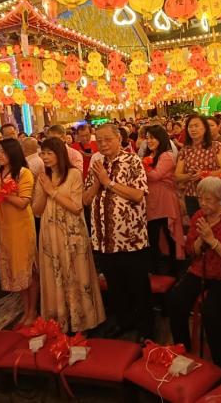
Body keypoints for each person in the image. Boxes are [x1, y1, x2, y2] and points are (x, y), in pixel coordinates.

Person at [169, 177, 221, 378]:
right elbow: (190, 250)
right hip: (203, 269)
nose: (203, 204)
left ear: (220, 199)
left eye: (208, 200)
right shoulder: (199, 216)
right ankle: (183, 352)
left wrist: (212, 240)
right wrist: (199, 242)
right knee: (176, 299)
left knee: (212, 311)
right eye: (200, 199)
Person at [83, 124, 152, 340]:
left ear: (119, 139)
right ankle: (124, 323)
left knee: (138, 286)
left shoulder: (132, 161)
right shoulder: (96, 163)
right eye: (99, 140)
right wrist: (97, 181)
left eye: (107, 139)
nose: (102, 144)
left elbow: (138, 195)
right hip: (104, 239)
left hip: (131, 238)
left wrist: (108, 182)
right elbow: (85, 200)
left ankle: (146, 330)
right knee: (115, 288)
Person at [32, 138, 105, 332]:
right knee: (54, 273)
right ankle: (60, 322)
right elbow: (36, 210)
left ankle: (83, 322)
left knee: (76, 274)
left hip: (71, 230)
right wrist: (41, 190)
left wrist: (52, 191)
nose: (45, 157)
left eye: (49, 153)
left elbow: (76, 206)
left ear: (59, 154)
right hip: (49, 230)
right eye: (43, 153)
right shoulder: (43, 175)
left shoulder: (73, 174)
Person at [0, 138, 38, 326]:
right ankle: (25, 309)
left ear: (12, 153)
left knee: (27, 270)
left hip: (21, 226)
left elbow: (23, 202)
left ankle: (32, 311)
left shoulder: (23, 173)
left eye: (2, 152)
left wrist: (1, 193)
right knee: (16, 270)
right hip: (5, 226)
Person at [143, 125, 184, 274]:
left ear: (161, 138)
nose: (149, 140)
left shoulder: (167, 156)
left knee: (169, 235)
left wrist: (143, 167)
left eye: (152, 137)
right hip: (151, 200)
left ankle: (175, 271)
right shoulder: (149, 156)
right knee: (153, 237)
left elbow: (155, 175)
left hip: (165, 200)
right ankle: (157, 270)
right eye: (147, 137)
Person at [175, 115, 221, 218]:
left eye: (196, 126)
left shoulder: (216, 146)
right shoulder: (184, 150)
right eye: (190, 127)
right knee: (197, 227)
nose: (193, 129)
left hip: (213, 195)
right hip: (192, 195)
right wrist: (190, 176)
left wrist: (204, 174)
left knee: (216, 226)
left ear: (205, 128)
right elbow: (177, 176)